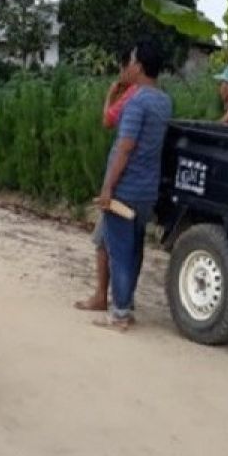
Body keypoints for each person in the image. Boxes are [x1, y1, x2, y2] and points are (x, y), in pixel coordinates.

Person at [95, 38, 173, 332]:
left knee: (120, 251)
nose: (126, 67)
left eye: (129, 63)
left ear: (138, 67)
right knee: (135, 249)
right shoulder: (164, 101)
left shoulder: (137, 101)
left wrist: (107, 188)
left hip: (126, 188)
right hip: (147, 189)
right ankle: (126, 303)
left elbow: (125, 147)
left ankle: (120, 314)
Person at [75, 48, 139, 312]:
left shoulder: (132, 98)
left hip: (122, 183)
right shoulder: (155, 98)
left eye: (123, 67)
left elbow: (107, 121)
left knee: (105, 242)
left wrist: (111, 94)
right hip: (138, 183)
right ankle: (122, 299)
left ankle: (107, 299)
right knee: (127, 245)